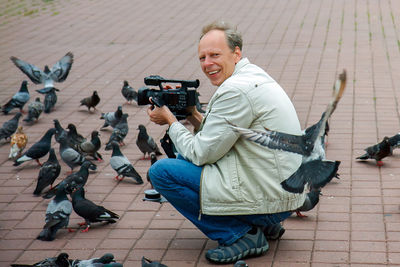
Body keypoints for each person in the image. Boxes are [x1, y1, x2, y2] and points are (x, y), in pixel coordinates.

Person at [146, 20, 306, 263]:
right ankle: (264, 224)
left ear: (236, 52)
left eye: (215, 55)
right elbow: (222, 138)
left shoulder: (235, 91)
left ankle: (240, 234)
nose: (207, 63)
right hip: (282, 192)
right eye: (202, 57)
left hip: (271, 198)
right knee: (184, 158)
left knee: (162, 172)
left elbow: (201, 154)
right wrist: (193, 114)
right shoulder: (252, 76)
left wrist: (170, 120)